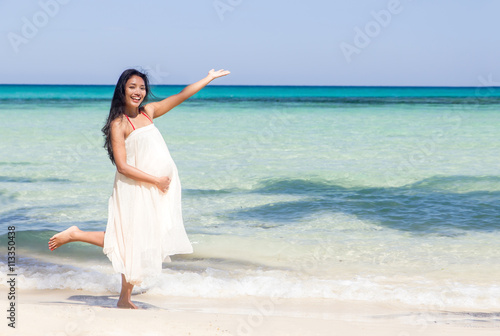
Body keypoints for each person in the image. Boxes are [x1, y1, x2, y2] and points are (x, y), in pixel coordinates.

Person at [48, 68, 230, 309]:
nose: (138, 92)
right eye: (132, 87)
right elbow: (122, 167)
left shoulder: (149, 112)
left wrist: (208, 78)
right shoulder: (119, 123)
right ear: (122, 89)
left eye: (142, 87)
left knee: (139, 241)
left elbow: (182, 95)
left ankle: (124, 298)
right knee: (129, 241)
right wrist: (156, 180)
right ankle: (76, 235)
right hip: (136, 186)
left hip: (155, 188)